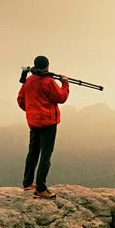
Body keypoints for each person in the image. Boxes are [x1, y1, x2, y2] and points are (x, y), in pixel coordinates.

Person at [17, 55, 69, 199]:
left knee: (33, 152)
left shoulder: (28, 81)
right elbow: (62, 97)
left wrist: (32, 111)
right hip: (48, 123)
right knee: (46, 155)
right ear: (46, 66)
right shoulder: (48, 81)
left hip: (34, 123)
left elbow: (21, 100)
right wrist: (65, 82)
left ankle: (28, 182)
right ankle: (40, 188)